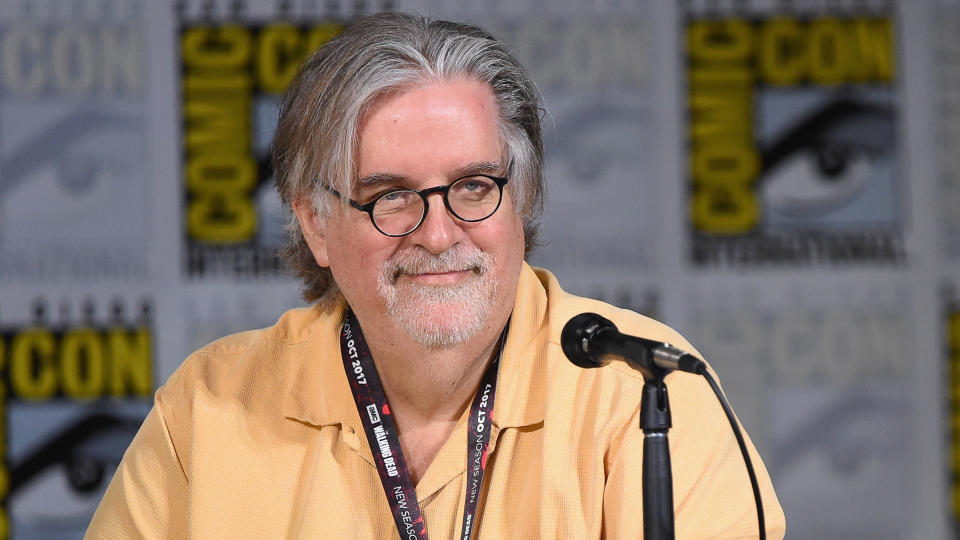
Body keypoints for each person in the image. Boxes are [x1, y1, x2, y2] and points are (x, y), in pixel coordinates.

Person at [87, 11, 785, 539]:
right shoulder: (207, 413)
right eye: (391, 196)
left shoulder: (641, 391)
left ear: (524, 195)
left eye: (475, 186)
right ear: (316, 224)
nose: (440, 232)